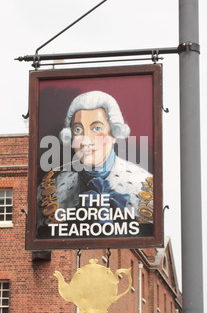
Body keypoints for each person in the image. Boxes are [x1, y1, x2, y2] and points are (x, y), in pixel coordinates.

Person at [37, 90, 153, 238]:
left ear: (114, 134)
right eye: (78, 130)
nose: (86, 140)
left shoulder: (145, 186)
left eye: (97, 128)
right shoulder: (51, 187)